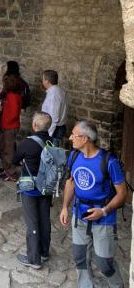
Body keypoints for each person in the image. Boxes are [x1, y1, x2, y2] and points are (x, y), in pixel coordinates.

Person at [60, 120, 126, 288]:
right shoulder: (74, 156)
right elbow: (70, 183)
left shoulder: (109, 161)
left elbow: (122, 194)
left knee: (104, 263)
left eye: (74, 135)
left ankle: (118, 286)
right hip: (79, 215)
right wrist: (65, 207)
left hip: (103, 219)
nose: (70, 137)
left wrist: (103, 211)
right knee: (80, 257)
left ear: (85, 139)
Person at [13, 112, 53, 269]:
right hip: (46, 188)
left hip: (30, 189)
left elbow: (15, 160)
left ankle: (34, 259)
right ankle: (44, 252)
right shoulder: (53, 142)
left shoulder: (27, 143)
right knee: (44, 219)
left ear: (35, 126)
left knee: (32, 222)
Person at [0, 73, 22, 181]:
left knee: (8, 150)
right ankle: (7, 169)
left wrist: (4, 123)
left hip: (9, 127)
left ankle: (12, 173)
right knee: (2, 147)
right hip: (7, 126)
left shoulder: (13, 97)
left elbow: (13, 114)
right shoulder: (10, 94)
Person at [41, 70, 68, 146]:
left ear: (47, 81)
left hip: (54, 130)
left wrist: (48, 135)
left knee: (51, 154)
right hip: (57, 128)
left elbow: (54, 117)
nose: (42, 81)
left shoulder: (54, 94)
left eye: (43, 79)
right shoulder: (59, 91)